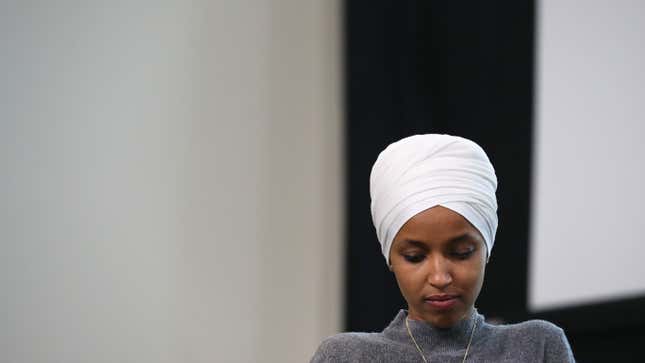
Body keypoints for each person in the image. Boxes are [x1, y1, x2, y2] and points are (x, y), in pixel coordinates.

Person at [310, 134, 575, 362]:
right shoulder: (345, 356)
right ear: (389, 256)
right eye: (415, 257)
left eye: (461, 253)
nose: (440, 278)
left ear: (487, 249)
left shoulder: (538, 346)